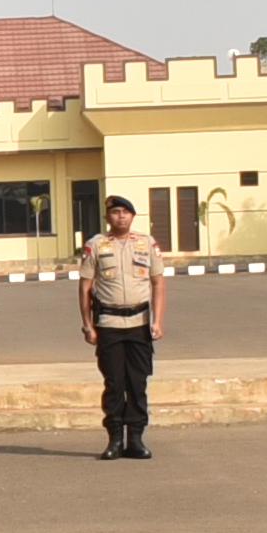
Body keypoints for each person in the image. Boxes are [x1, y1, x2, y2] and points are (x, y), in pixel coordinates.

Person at [79, 193, 164, 460]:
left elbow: (158, 283)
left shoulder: (147, 243)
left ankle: (136, 439)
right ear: (108, 217)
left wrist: (157, 321)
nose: (121, 217)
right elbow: (85, 287)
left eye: (125, 212)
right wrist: (87, 325)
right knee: (115, 383)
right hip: (109, 325)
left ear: (132, 216)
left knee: (137, 383)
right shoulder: (96, 245)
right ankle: (115, 439)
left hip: (139, 324)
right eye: (115, 212)